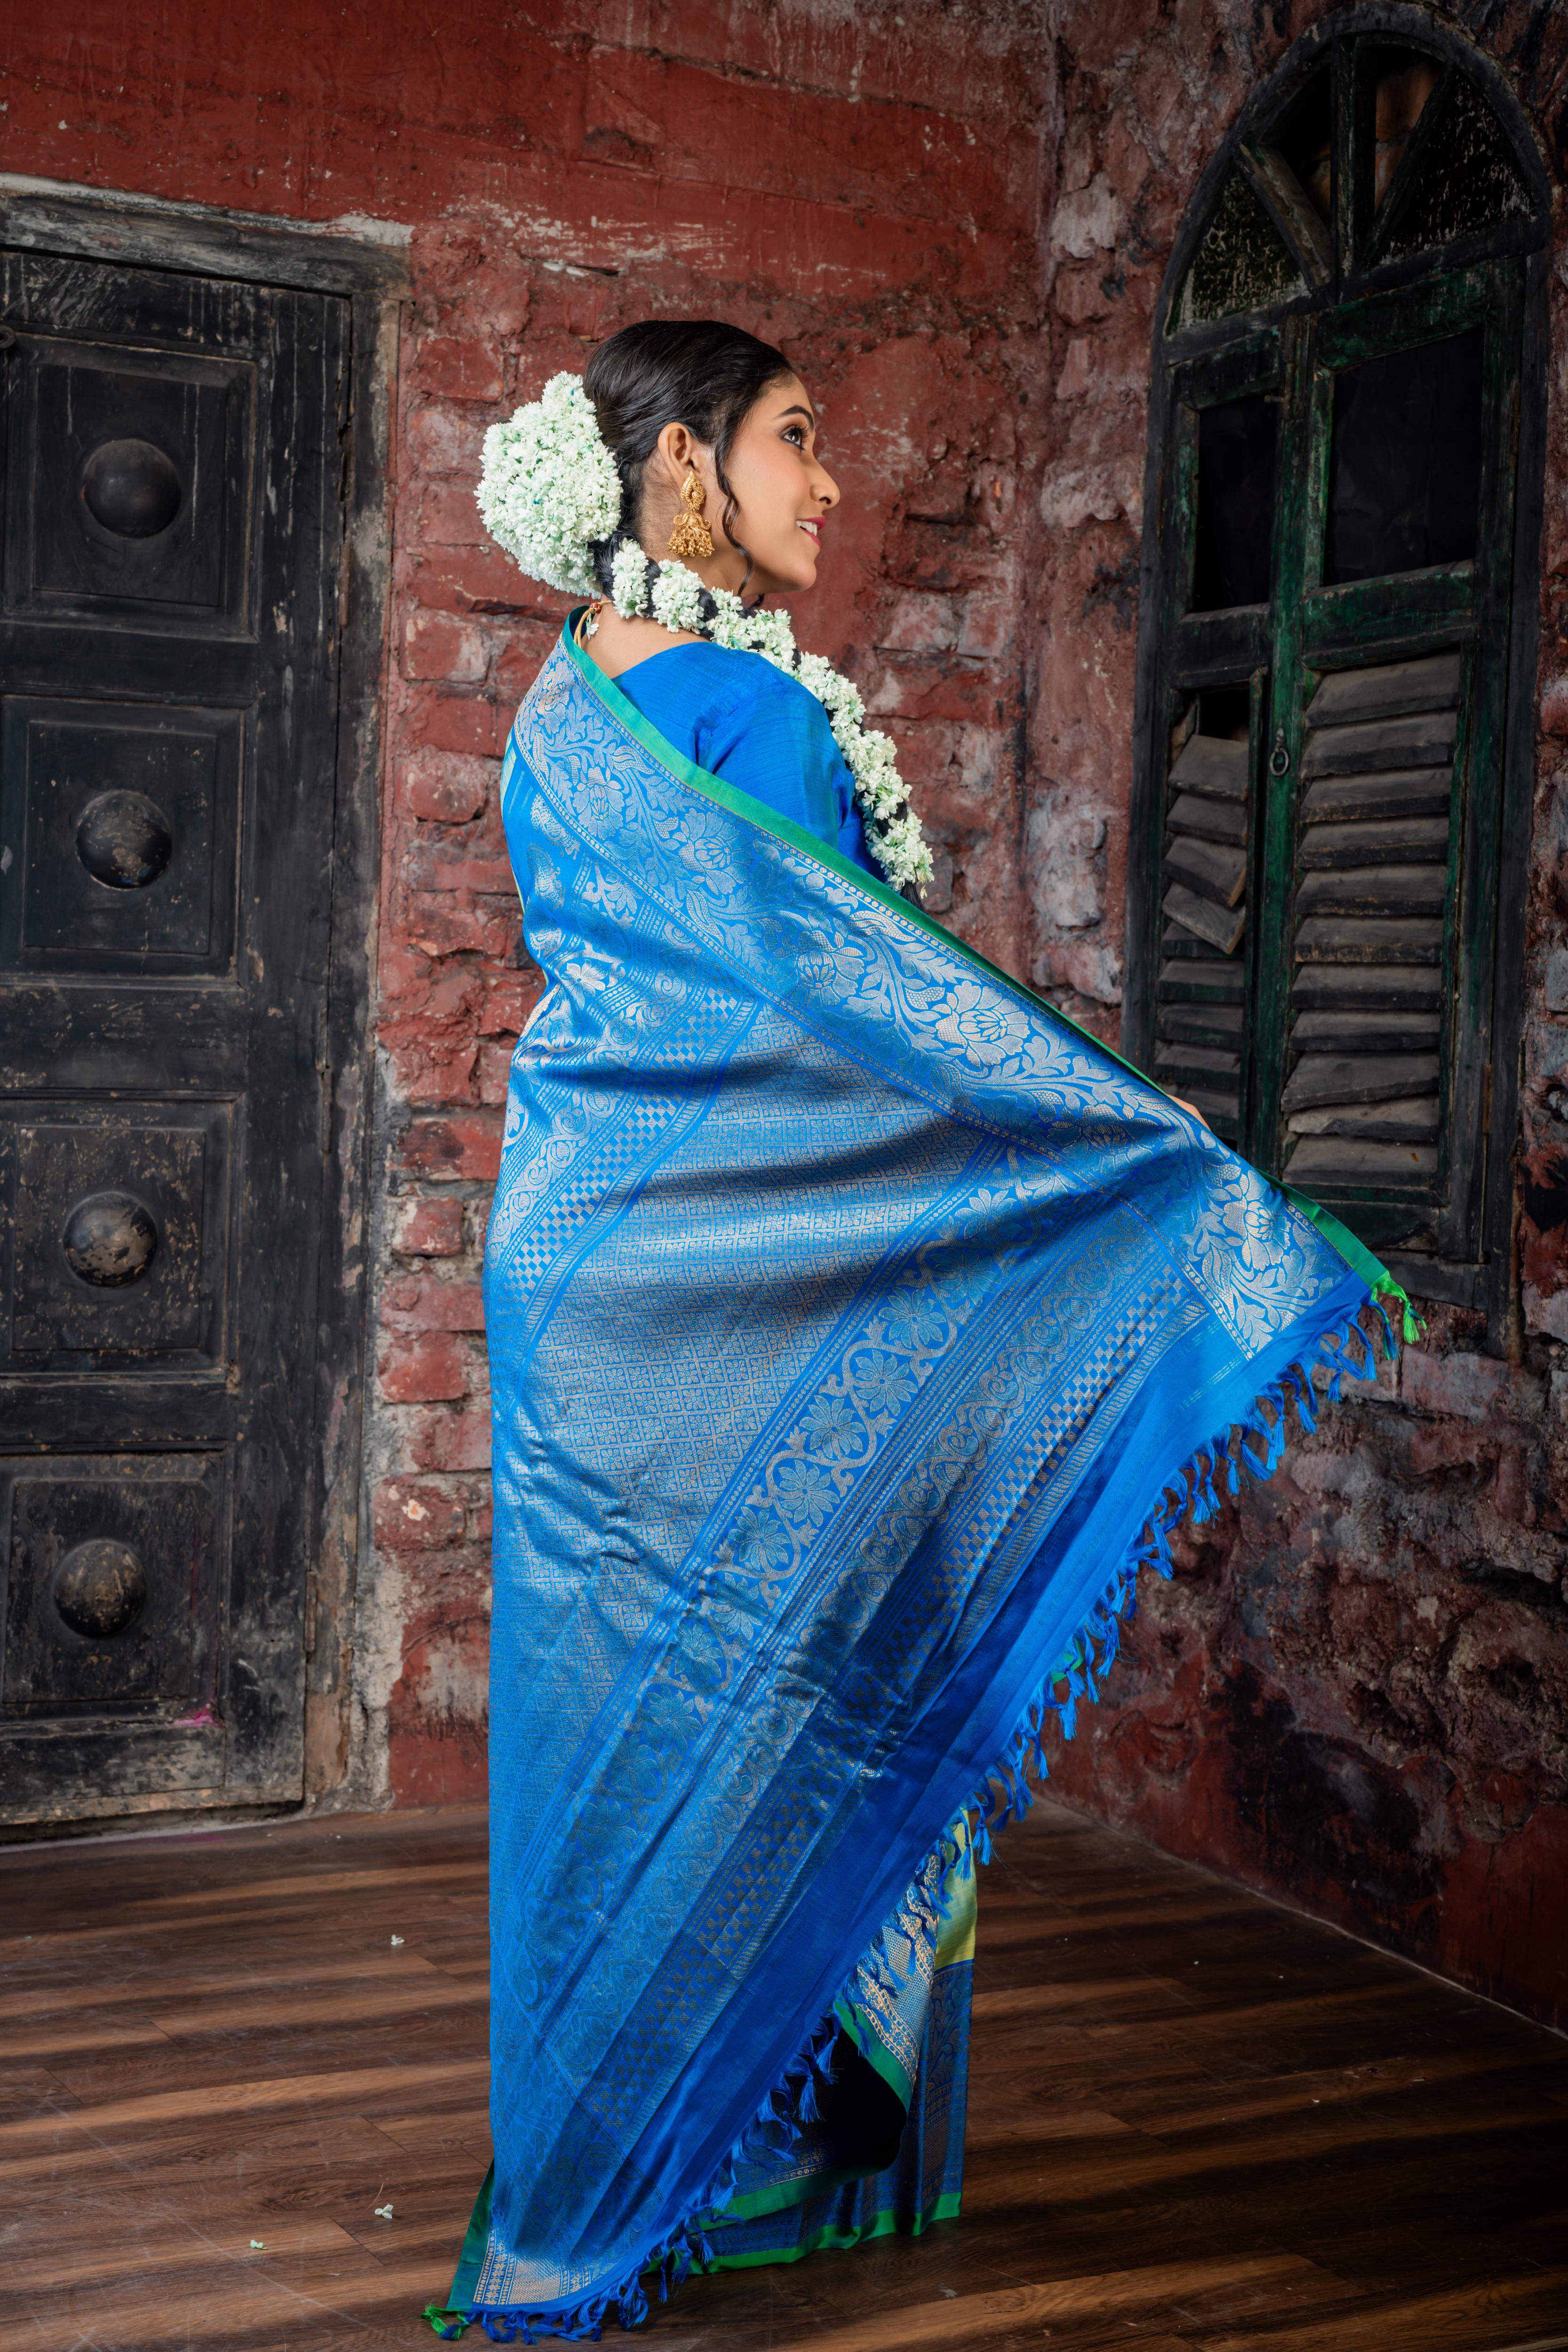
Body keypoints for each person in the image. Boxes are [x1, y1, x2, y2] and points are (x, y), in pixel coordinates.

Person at [429, 321, 1411, 2343]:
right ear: (684, 472)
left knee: (627, 1708)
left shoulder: (558, 707)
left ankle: (584, 2172)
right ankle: (759, 2154)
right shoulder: (753, 709)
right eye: (796, 441)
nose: (829, 485)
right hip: (752, 1285)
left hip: (585, 1270)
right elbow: (861, 1036)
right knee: (803, 1682)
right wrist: (1124, 1147)